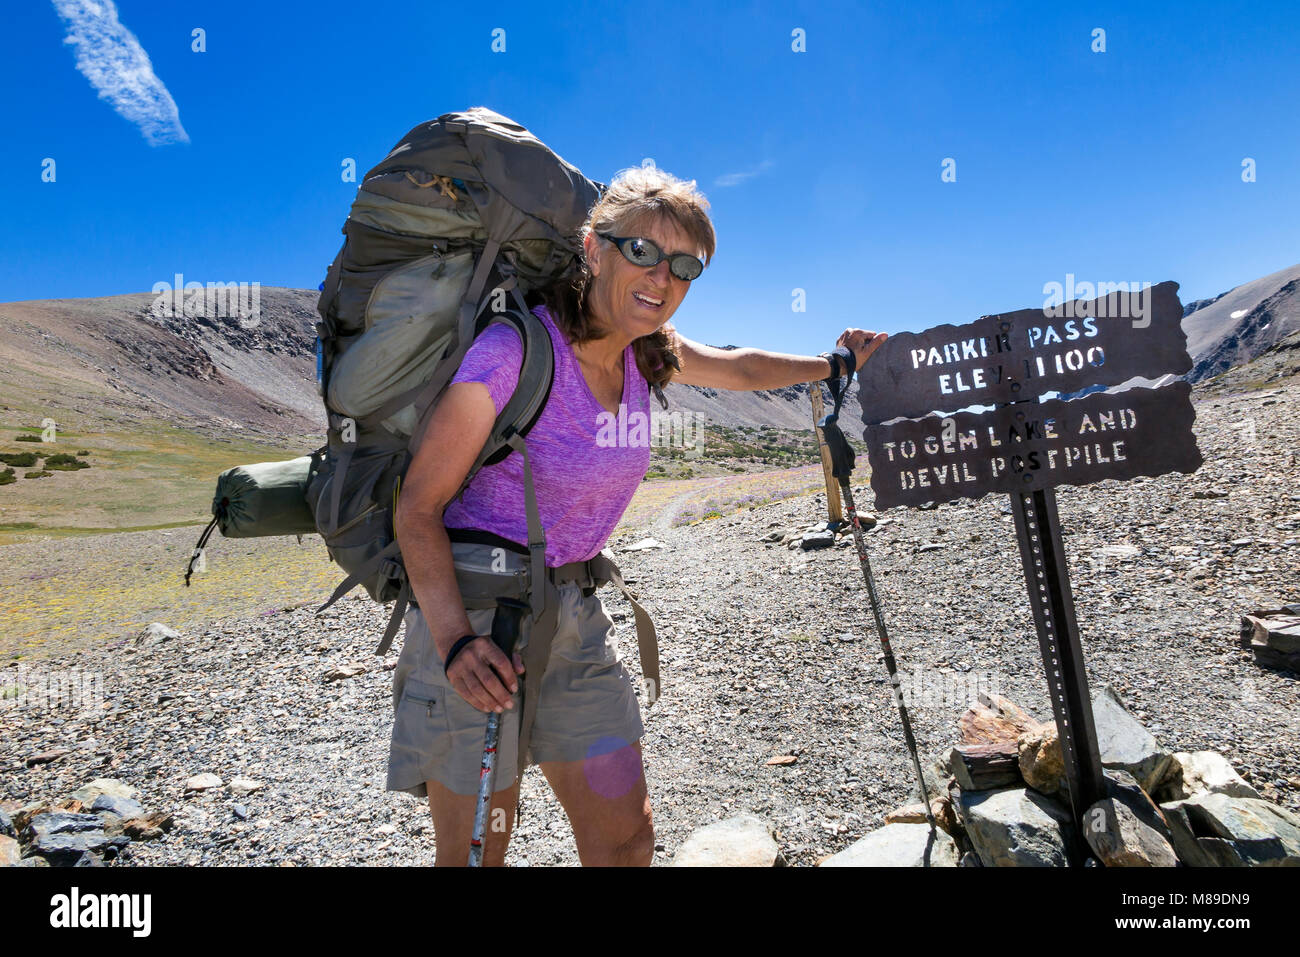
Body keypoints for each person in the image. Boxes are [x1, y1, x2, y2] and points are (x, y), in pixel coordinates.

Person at [390, 165, 886, 866]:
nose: (663, 277)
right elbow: (419, 505)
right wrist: (451, 642)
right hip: (475, 618)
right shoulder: (511, 354)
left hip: (575, 614)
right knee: (475, 852)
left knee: (627, 839)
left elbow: (741, 367)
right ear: (594, 247)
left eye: (685, 265)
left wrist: (833, 366)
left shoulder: (650, 353)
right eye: (643, 252)